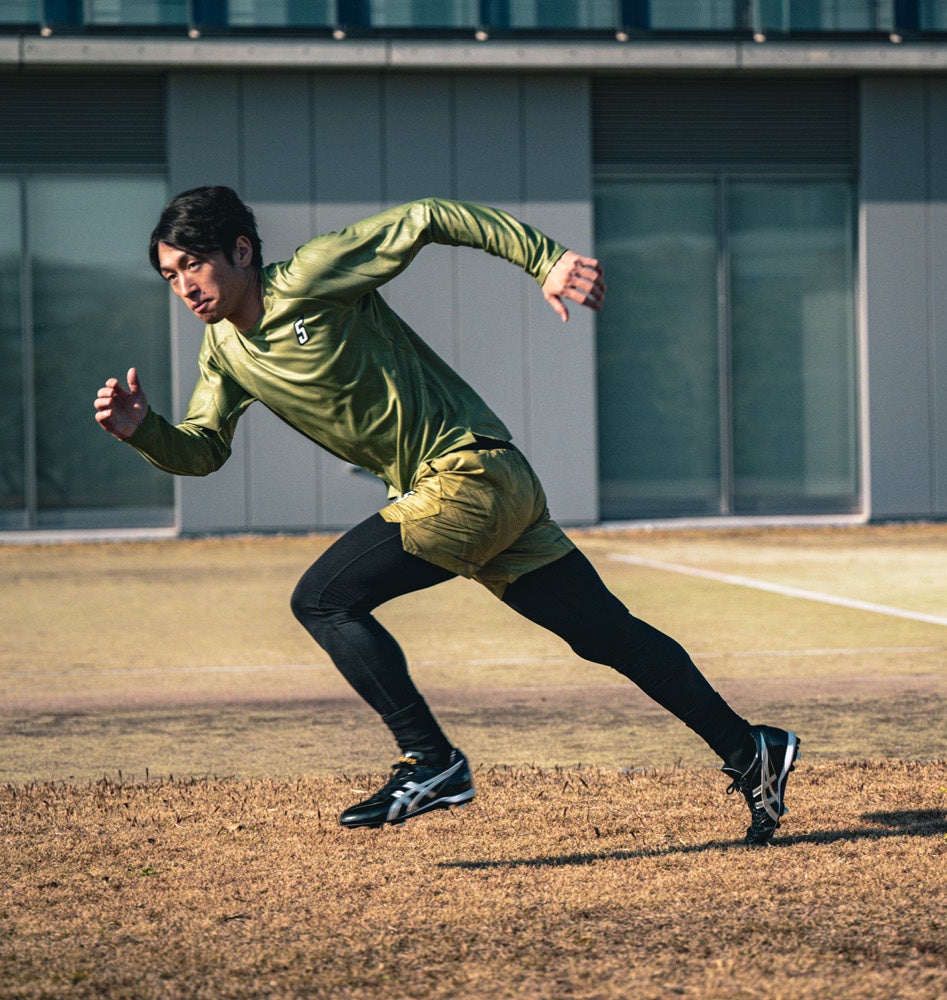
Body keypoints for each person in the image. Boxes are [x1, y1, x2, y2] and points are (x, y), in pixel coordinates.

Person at [94, 186, 799, 844]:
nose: (185, 285)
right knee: (607, 636)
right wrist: (144, 432)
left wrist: (545, 259)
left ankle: (430, 759)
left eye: (195, 264)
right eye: (170, 275)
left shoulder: (309, 276)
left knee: (324, 600)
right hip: (491, 482)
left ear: (242, 251)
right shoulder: (223, 351)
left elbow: (431, 216)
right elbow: (205, 447)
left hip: (465, 475)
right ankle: (751, 750)